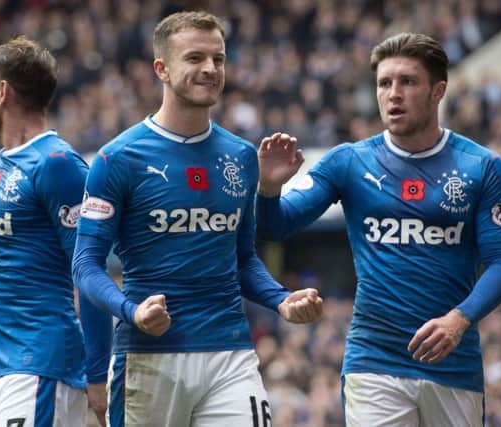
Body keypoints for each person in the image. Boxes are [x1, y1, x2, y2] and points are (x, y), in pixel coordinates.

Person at [72, 11, 323, 427]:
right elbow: (85, 265)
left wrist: (281, 299)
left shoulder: (242, 157)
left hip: (230, 353)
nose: (210, 69)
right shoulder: (118, 159)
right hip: (150, 355)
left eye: (218, 59)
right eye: (195, 58)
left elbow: (243, 260)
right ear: (162, 69)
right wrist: (131, 310)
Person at [257, 32, 501, 426]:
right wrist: (269, 187)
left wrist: (459, 320)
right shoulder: (348, 162)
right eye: (384, 83)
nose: (393, 94)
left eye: (408, 82)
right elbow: (277, 225)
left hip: (452, 364)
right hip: (373, 359)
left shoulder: (482, 167)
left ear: (438, 91)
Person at [0, 36, 109, 426]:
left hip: (39, 366)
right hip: (3, 364)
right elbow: (18, 221)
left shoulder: (57, 163)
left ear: (2, 92)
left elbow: (90, 270)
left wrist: (98, 375)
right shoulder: (7, 161)